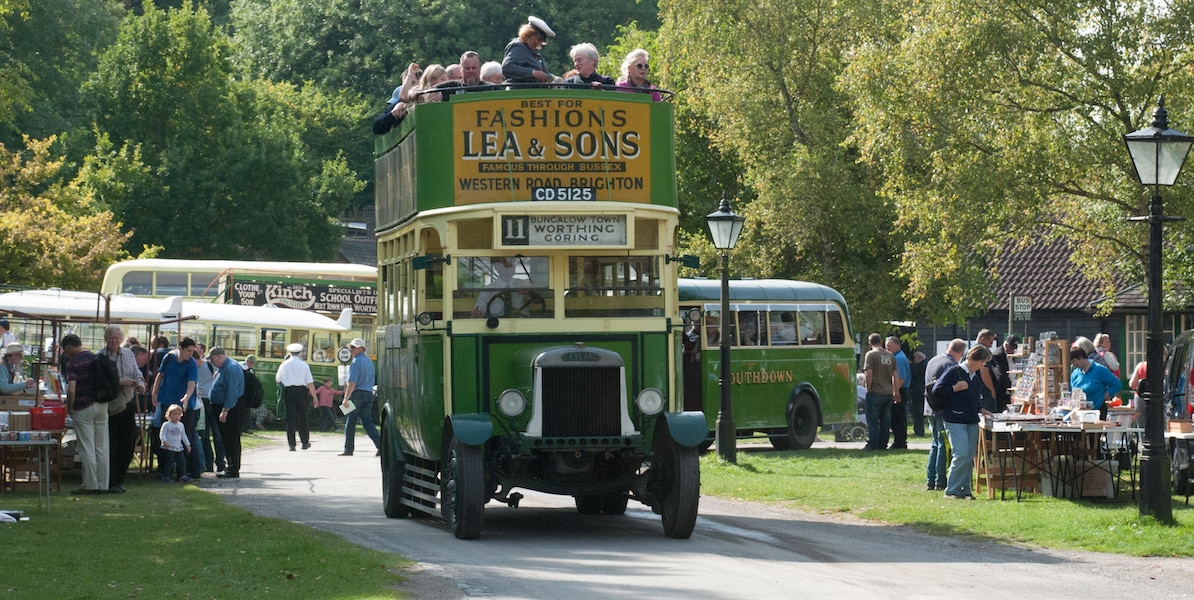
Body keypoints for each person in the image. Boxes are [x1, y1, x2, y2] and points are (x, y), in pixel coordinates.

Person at [933, 345, 995, 500]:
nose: (984, 366)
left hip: (971, 420)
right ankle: (951, 490)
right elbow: (937, 390)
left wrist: (981, 409)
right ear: (975, 359)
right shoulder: (954, 371)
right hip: (955, 419)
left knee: (968, 456)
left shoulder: (975, 375)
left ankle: (965, 489)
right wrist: (955, 388)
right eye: (983, 362)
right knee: (960, 454)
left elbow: (974, 397)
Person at [62, 334, 110, 495]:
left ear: (69, 347)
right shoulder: (96, 358)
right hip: (102, 404)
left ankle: (90, 484)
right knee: (102, 447)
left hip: (83, 407)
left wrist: (70, 407)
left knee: (87, 447)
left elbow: (71, 389)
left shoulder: (73, 363)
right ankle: (103, 484)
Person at [99, 325, 145, 494]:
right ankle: (109, 480)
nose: (114, 341)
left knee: (127, 444)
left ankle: (119, 480)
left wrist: (140, 384)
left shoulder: (127, 354)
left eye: (117, 338)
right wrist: (120, 382)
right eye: (111, 338)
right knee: (110, 444)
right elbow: (100, 382)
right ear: (105, 339)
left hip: (126, 404)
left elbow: (136, 373)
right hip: (108, 407)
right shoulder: (99, 357)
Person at [150, 337, 198, 482]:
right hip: (167, 401)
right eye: (188, 351)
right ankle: (164, 470)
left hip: (184, 405)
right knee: (164, 434)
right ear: (180, 348)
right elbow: (161, 375)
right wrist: (154, 392)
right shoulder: (169, 358)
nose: (190, 354)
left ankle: (184, 471)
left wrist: (187, 397)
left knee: (184, 436)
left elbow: (192, 383)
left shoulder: (191, 363)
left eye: (192, 351)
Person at [924, 339, 967, 491]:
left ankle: (931, 479)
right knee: (944, 445)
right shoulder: (951, 366)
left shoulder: (933, 360)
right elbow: (947, 389)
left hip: (930, 408)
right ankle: (940, 480)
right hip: (942, 409)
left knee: (935, 444)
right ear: (961, 353)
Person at [208, 347, 245, 478]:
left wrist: (225, 410)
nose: (212, 363)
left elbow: (232, 391)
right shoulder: (225, 367)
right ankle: (231, 466)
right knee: (226, 438)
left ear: (218, 357)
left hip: (230, 408)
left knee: (231, 438)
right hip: (224, 405)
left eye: (213, 360)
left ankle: (233, 468)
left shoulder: (230, 368)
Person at [340, 338, 380, 456]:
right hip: (369, 393)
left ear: (359, 348)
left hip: (358, 394)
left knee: (350, 421)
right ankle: (380, 444)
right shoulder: (368, 361)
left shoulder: (356, 362)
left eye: (352, 348)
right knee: (367, 421)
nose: (351, 350)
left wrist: (346, 397)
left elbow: (352, 382)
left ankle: (348, 449)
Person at [276, 343, 319, 451]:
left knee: (290, 418)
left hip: (289, 391)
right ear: (300, 353)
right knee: (303, 417)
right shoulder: (304, 365)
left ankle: (292, 444)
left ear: (289, 353)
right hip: (301, 392)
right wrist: (315, 397)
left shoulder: (284, 364)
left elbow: (278, 379)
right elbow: (310, 383)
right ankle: (304, 442)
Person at [862, 333, 897, 451]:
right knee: (885, 420)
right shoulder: (890, 355)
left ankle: (873, 443)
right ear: (881, 342)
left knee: (872, 419)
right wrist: (895, 391)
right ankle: (883, 444)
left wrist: (868, 388)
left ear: (869, 343)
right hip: (888, 393)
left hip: (875, 392)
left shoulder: (871, 354)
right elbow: (895, 375)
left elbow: (869, 373)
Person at [1069, 346, 1122, 421]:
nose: (1073, 364)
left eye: (1074, 361)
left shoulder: (1099, 370)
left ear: (1080, 357)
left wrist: (1106, 395)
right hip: (1080, 413)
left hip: (1097, 411)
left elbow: (1117, 384)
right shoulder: (1075, 374)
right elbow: (1073, 392)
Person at [502, 16, 556, 83]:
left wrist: (553, 78)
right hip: (520, 91)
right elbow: (507, 67)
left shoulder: (535, 52)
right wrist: (532, 73)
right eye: (539, 38)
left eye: (543, 40)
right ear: (529, 34)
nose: (540, 42)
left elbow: (541, 72)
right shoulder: (518, 46)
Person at [886, 336, 909, 449]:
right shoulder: (897, 357)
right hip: (899, 389)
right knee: (897, 417)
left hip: (899, 390)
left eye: (889, 346)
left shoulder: (898, 358)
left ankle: (900, 442)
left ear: (897, 345)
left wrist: (895, 392)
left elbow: (900, 378)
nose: (887, 348)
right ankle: (899, 440)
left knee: (898, 417)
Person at [159, 404, 191, 483]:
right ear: (169, 415)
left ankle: (182, 475)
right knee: (169, 462)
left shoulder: (181, 425)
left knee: (182, 461)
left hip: (178, 447)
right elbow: (162, 434)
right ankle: (166, 476)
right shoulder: (166, 424)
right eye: (174, 414)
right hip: (169, 447)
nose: (176, 416)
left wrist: (187, 444)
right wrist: (164, 441)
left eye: (178, 414)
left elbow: (183, 435)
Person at [990, 335, 1018, 413]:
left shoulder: (1012, 355)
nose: (1013, 351)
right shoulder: (998, 355)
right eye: (1012, 348)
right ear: (1006, 345)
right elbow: (1000, 375)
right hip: (1002, 390)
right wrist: (1009, 386)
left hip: (1011, 388)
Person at [908, 350, 927, 437]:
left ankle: (919, 431)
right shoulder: (923, 365)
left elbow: (915, 374)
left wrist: (910, 365)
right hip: (919, 391)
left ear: (919, 358)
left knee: (918, 412)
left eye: (915, 358)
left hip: (918, 392)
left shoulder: (922, 366)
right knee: (917, 412)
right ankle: (918, 430)